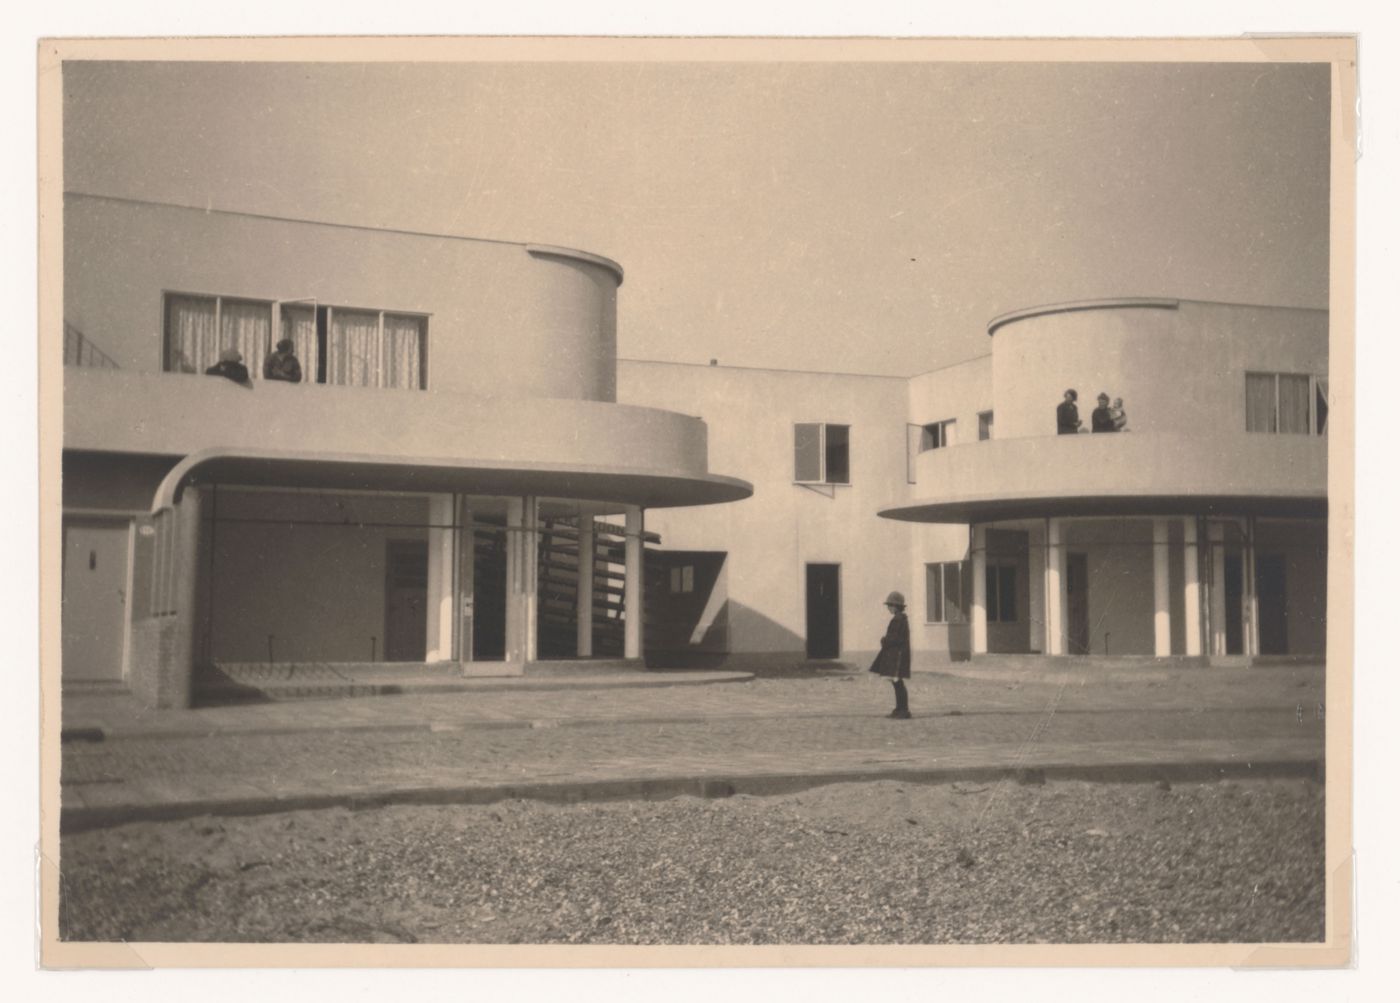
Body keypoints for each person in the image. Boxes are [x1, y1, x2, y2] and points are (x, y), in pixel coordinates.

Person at [868, 591, 913, 719]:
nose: (888, 608)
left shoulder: (897, 620)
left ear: (895, 606)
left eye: (890, 605)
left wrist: (884, 640)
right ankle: (900, 709)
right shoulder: (901, 619)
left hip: (897, 656)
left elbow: (894, 638)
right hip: (899, 655)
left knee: (897, 682)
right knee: (897, 682)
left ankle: (903, 710)